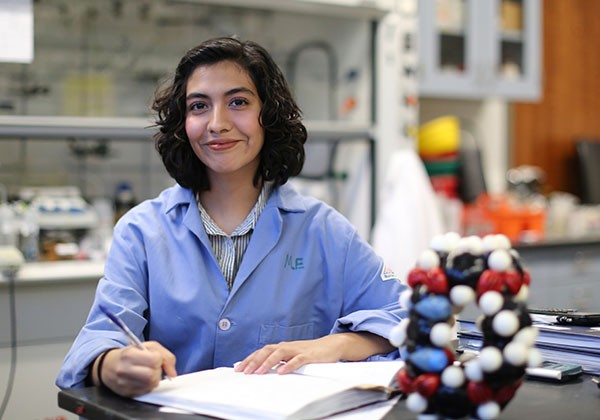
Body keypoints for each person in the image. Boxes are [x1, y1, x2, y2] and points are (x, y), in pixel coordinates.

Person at [56, 37, 407, 398]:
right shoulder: (142, 231)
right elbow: (98, 339)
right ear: (183, 122)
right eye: (199, 106)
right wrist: (112, 364)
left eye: (238, 102)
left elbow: (405, 317)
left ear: (268, 115)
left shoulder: (323, 229)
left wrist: (330, 347)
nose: (217, 123)